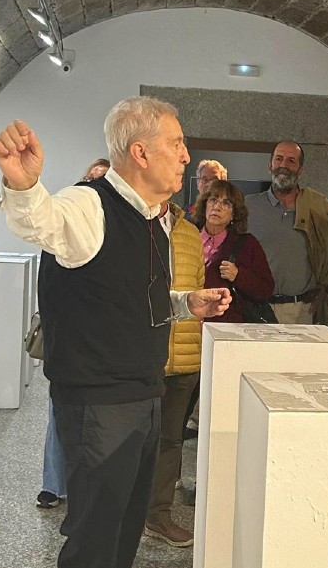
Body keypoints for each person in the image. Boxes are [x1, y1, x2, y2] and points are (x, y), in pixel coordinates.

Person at [0, 97, 230, 568]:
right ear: (140, 153)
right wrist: (24, 187)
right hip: (99, 403)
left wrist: (186, 302)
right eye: (177, 143)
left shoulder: (152, 217)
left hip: (142, 393)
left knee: (124, 529)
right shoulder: (89, 203)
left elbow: (128, 294)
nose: (186, 156)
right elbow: (43, 222)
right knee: (95, 537)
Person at [38, 160, 110, 509]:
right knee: (60, 414)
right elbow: (50, 286)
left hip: (103, 346)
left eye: (101, 180)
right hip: (69, 342)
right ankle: (53, 484)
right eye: (90, 178)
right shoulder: (62, 228)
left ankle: (85, 491)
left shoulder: (114, 231)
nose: (93, 185)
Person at [143, 200, 205, 547]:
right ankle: (121, 515)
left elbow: (197, 284)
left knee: (170, 442)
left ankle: (158, 517)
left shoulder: (189, 232)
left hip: (182, 355)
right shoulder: (128, 222)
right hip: (137, 356)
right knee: (126, 440)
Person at [246, 140, 328, 325]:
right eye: (279, 159)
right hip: (255, 309)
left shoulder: (318, 206)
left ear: (300, 170)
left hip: (301, 312)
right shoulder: (249, 206)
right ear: (270, 165)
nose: (284, 165)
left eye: (291, 161)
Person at [192, 179, 275, 323]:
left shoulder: (247, 244)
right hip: (188, 326)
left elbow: (266, 289)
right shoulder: (188, 238)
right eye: (213, 200)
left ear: (234, 214)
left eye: (226, 203)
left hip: (226, 329)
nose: (217, 207)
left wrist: (238, 275)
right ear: (205, 205)